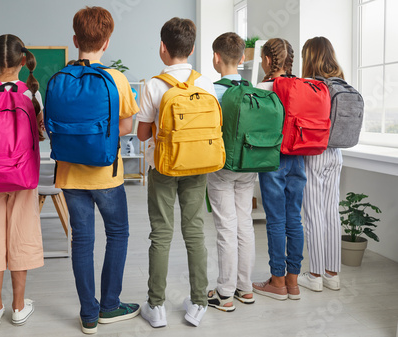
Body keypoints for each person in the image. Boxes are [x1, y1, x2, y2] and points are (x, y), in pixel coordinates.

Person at [54, 6, 140, 335]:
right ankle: (110, 305)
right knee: (117, 235)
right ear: (106, 42)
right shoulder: (116, 79)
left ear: (75, 39)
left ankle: (88, 313)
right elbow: (126, 125)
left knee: (82, 242)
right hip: (106, 174)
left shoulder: (59, 78)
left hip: (70, 176)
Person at [137, 17, 217, 328]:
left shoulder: (153, 85)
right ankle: (198, 302)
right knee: (195, 232)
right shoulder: (206, 83)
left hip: (164, 167)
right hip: (199, 167)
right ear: (193, 49)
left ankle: (156, 306)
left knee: (161, 234)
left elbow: (143, 134)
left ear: (162, 48)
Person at [0, 34, 45, 329]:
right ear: (23, 60)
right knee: (21, 233)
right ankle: (17, 306)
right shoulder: (31, 95)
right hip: (23, 175)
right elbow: (39, 135)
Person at [252, 38, 306, 301]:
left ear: (266, 60)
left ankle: (277, 281)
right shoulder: (301, 85)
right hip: (299, 156)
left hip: (273, 157)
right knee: (294, 218)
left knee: (275, 220)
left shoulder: (263, 87)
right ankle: (293, 283)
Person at [206, 32, 256, 312]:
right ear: (243, 57)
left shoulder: (212, 90)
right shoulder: (254, 89)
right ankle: (245, 288)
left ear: (216, 57)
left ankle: (224, 294)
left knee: (226, 227)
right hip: (249, 164)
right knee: (244, 224)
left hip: (222, 165)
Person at [297, 37, 344, 292]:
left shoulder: (312, 86)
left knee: (313, 215)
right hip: (337, 154)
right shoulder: (341, 83)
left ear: (310, 57)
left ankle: (314, 275)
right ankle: (332, 274)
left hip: (315, 153)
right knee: (331, 213)